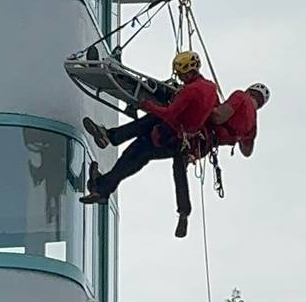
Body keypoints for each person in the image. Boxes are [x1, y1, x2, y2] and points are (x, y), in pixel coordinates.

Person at [81, 49, 216, 238]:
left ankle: (109, 143)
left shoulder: (190, 91)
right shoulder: (211, 89)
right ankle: (102, 186)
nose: (181, 78)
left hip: (167, 135)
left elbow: (169, 114)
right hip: (182, 141)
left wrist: (148, 105)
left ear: (187, 71)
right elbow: (213, 114)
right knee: (138, 157)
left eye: (180, 74)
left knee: (136, 150)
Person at [208, 83, 270, 158]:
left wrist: (209, 109)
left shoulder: (241, 97)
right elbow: (247, 151)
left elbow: (218, 117)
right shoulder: (253, 123)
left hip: (205, 130)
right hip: (209, 144)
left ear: (248, 92)